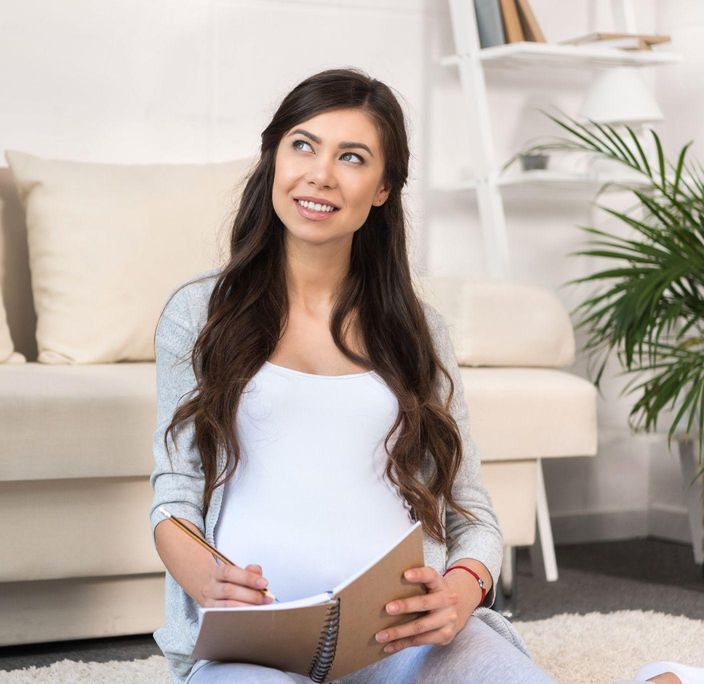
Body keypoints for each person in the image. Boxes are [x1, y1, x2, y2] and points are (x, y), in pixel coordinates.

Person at [147, 68, 692, 684]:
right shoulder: (199, 314)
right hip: (252, 650)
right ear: (274, 157)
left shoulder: (419, 333)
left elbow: (473, 512)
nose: (320, 173)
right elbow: (174, 499)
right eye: (302, 144)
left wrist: (463, 589)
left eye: (351, 157)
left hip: (406, 638)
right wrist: (201, 576)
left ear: (383, 188)